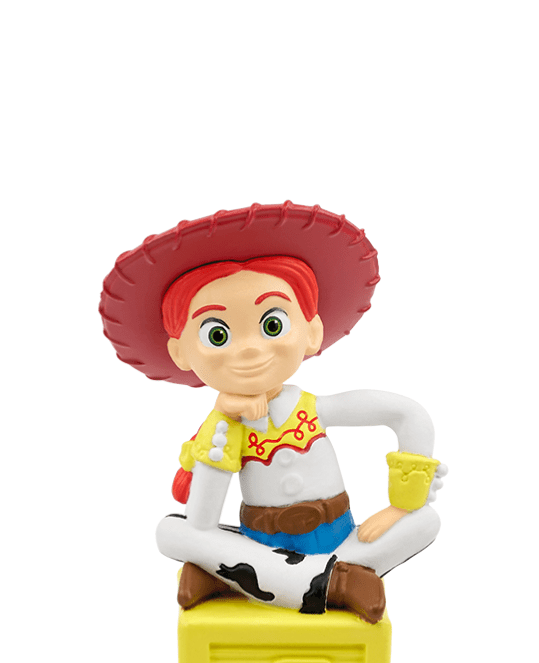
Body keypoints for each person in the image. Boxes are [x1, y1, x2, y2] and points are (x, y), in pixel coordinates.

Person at [100, 203, 444, 622]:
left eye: (272, 325)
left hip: (339, 539)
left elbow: (408, 415)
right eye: (217, 334)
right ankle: (336, 584)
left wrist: (403, 501)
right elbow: (202, 521)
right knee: (171, 531)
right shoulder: (222, 430)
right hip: (262, 542)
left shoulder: (315, 409)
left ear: (311, 331)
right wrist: (224, 421)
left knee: (425, 521)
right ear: (181, 352)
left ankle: (231, 576)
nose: (249, 349)